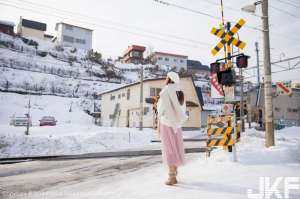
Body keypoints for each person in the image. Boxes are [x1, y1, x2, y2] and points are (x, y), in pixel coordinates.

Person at [157, 72, 188, 186]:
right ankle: (174, 172)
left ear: (169, 79)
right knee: (175, 148)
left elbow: (160, 110)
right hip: (177, 125)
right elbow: (183, 109)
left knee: (168, 149)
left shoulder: (165, 91)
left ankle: (172, 177)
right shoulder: (180, 92)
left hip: (166, 123)